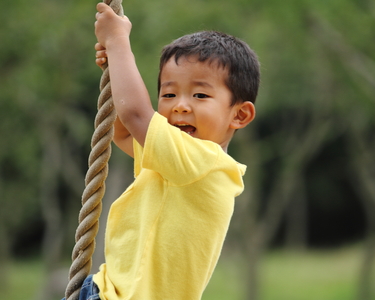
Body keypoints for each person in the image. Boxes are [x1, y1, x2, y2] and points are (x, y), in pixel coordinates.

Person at [68, 2, 260, 299]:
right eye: (168, 94)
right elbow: (122, 129)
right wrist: (116, 68)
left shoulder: (204, 162)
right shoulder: (177, 158)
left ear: (239, 115)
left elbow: (136, 116)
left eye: (200, 94)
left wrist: (119, 43)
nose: (180, 105)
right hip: (107, 289)